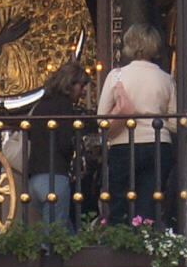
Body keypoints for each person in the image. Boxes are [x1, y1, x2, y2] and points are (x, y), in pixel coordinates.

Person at [97, 24, 177, 226]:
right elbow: (175, 124)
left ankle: (121, 247)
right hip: (158, 145)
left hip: (124, 145)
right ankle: (147, 245)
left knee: (120, 203)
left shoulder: (117, 76)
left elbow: (101, 119)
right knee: (150, 204)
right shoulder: (166, 79)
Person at [26, 60, 89, 229]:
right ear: (70, 84)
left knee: (65, 231)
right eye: (81, 86)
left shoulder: (40, 106)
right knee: (54, 240)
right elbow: (64, 143)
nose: (83, 92)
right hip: (54, 177)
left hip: (35, 179)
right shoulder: (64, 107)